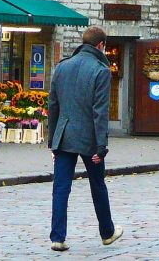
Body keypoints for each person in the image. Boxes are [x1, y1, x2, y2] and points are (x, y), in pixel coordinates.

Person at [47, 26, 125, 251]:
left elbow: (53, 106)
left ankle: (57, 237)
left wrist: (52, 140)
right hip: (89, 139)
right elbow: (100, 111)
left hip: (63, 135)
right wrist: (102, 146)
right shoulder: (101, 70)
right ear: (101, 45)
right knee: (97, 186)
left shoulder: (62, 67)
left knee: (61, 187)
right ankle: (107, 232)